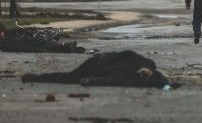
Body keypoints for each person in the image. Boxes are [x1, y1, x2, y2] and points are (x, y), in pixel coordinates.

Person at [22, 50, 172, 88]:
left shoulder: (135, 80)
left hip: (97, 72)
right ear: (150, 70)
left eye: (144, 76)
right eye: (145, 73)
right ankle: (34, 77)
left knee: (69, 79)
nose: (143, 75)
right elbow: (127, 53)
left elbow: (114, 81)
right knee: (68, 78)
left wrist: (91, 81)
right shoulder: (145, 62)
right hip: (96, 64)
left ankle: (33, 78)